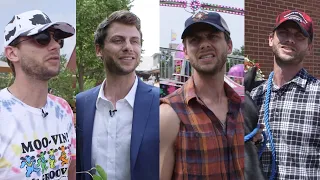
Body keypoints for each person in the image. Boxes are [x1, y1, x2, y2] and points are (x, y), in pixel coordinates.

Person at [160, 11, 244, 179]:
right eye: (195, 40)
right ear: (185, 51)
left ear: (229, 45)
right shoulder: (169, 114)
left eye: (212, 37)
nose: (204, 45)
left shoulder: (243, 107)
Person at [76, 10, 159, 180]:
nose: (128, 47)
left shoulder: (160, 102)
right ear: (99, 50)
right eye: (118, 40)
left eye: (134, 41)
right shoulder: (82, 103)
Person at [0, 10, 76, 180]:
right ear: (12, 53)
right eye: (42, 38)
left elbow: (70, 168)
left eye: (58, 39)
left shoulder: (63, 108)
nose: (55, 45)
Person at [250, 10, 320, 179]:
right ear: (270, 39)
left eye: (299, 36)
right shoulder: (253, 97)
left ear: (309, 47)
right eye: (283, 33)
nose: (290, 39)